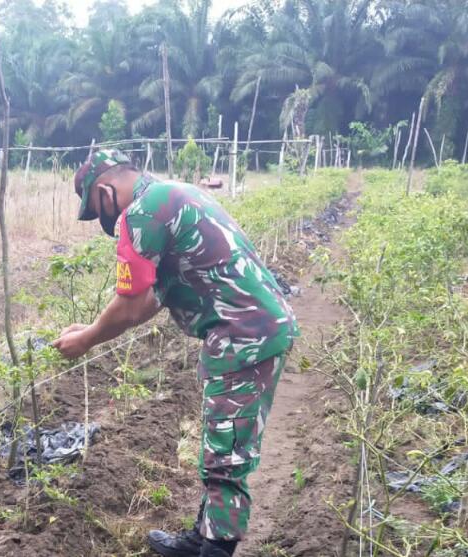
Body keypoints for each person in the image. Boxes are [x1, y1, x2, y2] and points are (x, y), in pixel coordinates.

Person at [53, 150, 298, 557]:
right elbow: (152, 298)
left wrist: (88, 339)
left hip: (242, 333)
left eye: (98, 212)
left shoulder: (141, 213)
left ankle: (215, 550)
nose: (106, 224)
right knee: (222, 440)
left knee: (226, 456)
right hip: (250, 327)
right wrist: (92, 328)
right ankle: (201, 538)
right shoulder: (174, 194)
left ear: (105, 190)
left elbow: (129, 305)